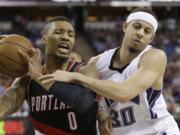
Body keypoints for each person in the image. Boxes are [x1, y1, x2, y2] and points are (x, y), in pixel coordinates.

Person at [38, 8, 180, 134]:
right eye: (136, 26)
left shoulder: (155, 57)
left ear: (151, 38)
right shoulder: (98, 62)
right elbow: (90, 99)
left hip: (158, 131)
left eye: (147, 31)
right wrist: (100, 113)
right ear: (125, 26)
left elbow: (125, 93)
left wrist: (76, 76)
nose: (140, 33)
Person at [0, 16, 104, 135]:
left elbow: (84, 102)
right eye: (58, 32)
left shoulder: (84, 71)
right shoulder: (26, 80)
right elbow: (4, 106)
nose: (65, 37)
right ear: (45, 39)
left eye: (71, 35)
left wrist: (39, 78)